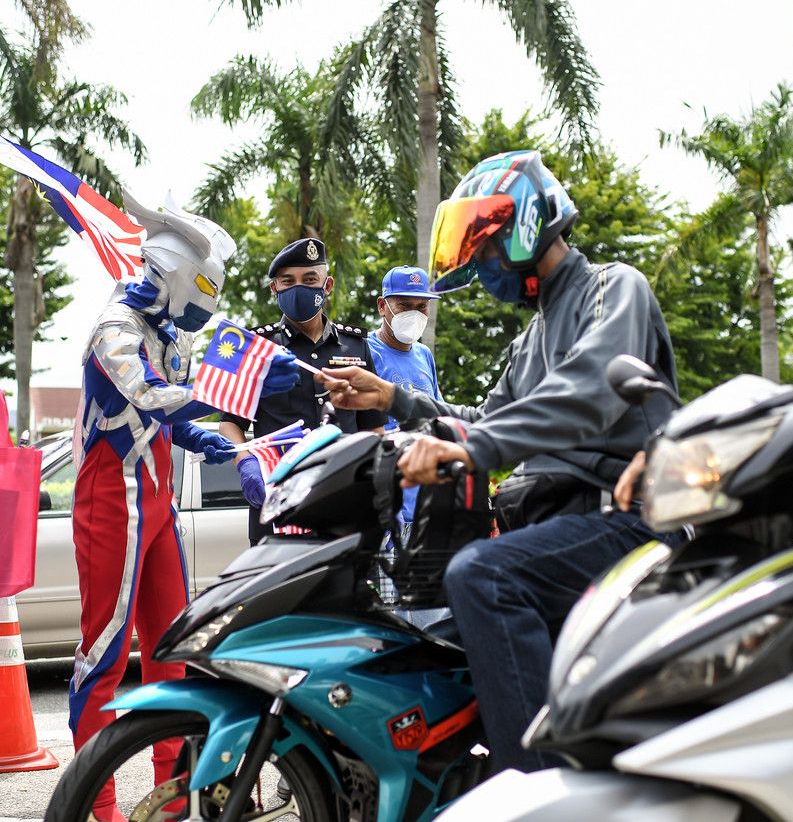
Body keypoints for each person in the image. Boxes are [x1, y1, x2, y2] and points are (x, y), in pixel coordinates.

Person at [319, 150, 678, 772]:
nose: (482, 266)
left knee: (482, 576)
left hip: (625, 522)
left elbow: (588, 392)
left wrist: (468, 447)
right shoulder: (530, 339)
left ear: (525, 226)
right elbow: (483, 421)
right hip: (554, 527)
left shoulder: (613, 289)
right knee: (418, 645)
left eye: (484, 248)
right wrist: (392, 398)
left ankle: (534, 789)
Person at [68, 192, 298, 822]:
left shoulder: (167, 330)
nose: (207, 303)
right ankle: (95, 804)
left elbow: (169, 418)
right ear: (175, 275)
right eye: (204, 288)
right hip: (111, 498)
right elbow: (148, 396)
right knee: (104, 651)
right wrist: (239, 388)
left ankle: (172, 801)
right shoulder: (115, 327)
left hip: (156, 500)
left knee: (172, 649)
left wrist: (218, 441)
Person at [218, 238, 387, 545]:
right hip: (278, 503)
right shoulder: (256, 349)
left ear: (327, 285)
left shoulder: (356, 347)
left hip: (344, 501)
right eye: (288, 281)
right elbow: (230, 423)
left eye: (310, 280)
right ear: (274, 288)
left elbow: (373, 427)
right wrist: (245, 463)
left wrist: (377, 483)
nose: (299, 288)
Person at [365, 266, 442, 602]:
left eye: (421, 306)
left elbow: (439, 419)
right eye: (404, 305)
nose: (415, 313)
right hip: (387, 510)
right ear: (383, 306)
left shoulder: (424, 355)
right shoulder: (365, 351)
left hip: (426, 510)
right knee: (390, 614)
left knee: (429, 612)